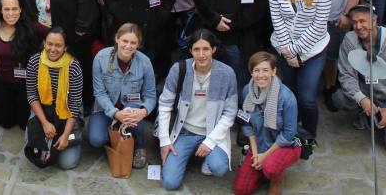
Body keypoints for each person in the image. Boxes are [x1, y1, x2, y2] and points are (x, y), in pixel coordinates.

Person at [157, 30, 238, 191]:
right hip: (184, 132)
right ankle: (185, 157)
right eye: (196, 49)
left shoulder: (227, 73)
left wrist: (210, 141)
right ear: (190, 50)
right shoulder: (179, 69)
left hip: (211, 132)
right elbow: (165, 105)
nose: (201, 54)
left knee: (219, 168)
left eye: (206, 49)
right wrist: (164, 141)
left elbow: (230, 113)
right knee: (170, 183)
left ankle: (207, 156)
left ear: (214, 50)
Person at [269, 0, 332, 145]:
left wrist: (295, 51)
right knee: (289, 92)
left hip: (313, 50)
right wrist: (288, 52)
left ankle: (309, 135)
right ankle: (291, 130)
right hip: (284, 47)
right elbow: (276, 18)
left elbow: (319, 25)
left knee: (307, 97)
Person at [333, 5, 386, 152]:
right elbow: (346, 75)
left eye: (363, 21)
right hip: (367, 91)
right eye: (354, 22)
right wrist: (362, 99)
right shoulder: (349, 40)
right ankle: (367, 115)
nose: (358, 26)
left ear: (374, 21)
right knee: (339, 98)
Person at [232, 52, 302, 195]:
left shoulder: (287, 97)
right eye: (256, 70)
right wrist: (256, 154)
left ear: (273, 71)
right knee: (241, 190)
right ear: (251, 73)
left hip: (285, 144)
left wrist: (265, 156)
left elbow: (289, 134)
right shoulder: (247, 91)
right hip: (259, 143)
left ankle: (275, 176)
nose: (260, 75)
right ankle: (262, 171)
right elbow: (246, 124)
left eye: (265, 70)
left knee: (271, 168)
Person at [89, 23, 157, 169]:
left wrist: (143, 111)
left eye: (133, 42)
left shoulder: (145, 62)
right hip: (105, 107)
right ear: (117, 39)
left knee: (134, 112)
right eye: (125, 41)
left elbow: (151, 95)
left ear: (138, 44)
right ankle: (116, 136)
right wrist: (115, 113)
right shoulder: (101, 58)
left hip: (131, 106)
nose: (128, 46)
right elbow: (99, 92)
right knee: (96, 139)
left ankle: (139, 145)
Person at [0, 0, 49, 129]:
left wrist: (45, 59)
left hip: (26, 82)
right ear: (0, 10)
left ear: (21, 9)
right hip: (2, 80)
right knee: (6, 122)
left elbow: (52, 35)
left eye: (14, 9)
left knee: (24, 124)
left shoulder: (31, 25)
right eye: (6, 9)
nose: (11, 14)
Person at [24, 27, 84, 170]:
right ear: (44, 43)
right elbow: (31, 95)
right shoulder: (34, 62)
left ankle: (74, 135)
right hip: (44, 108)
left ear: (65, 48)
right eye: (49, 44)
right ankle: (48, 133)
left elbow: (75, 105)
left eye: (58, 45)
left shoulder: (73, 66)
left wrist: (65, 135)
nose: (53, 49)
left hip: (67, 110)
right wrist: (44, 122)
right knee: (33, 144)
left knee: (66, 163)